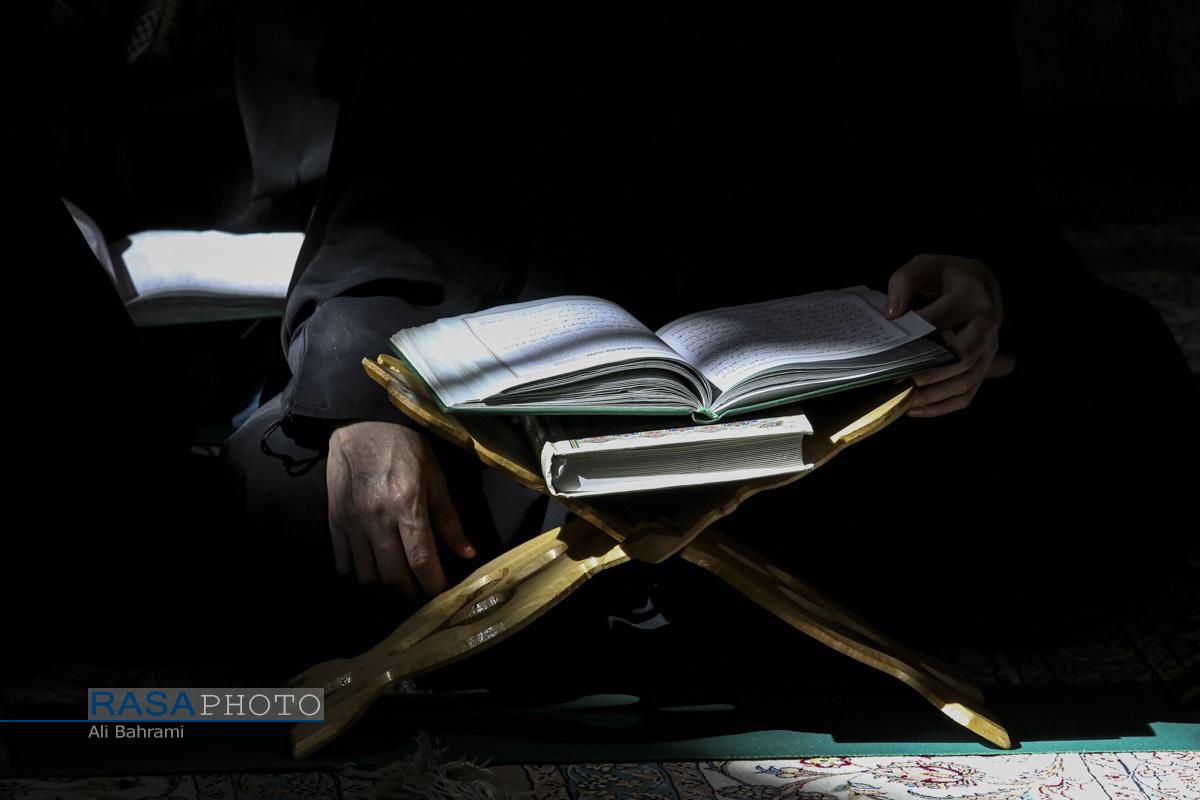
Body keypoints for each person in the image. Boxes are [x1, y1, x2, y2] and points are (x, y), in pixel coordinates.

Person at [220, 3, 1196, 671]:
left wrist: (978, 292)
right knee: (311, 501)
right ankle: (706, 598)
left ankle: (607, 601)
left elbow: (969, 194)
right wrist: (365, 406)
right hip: (536, 415)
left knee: (1122, 415)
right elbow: (397, 195)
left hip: (821, 417)